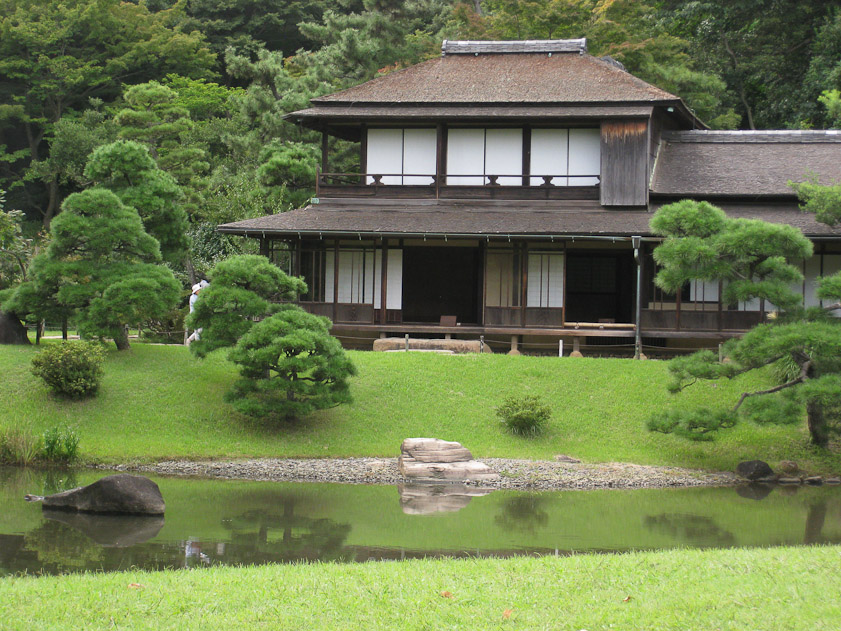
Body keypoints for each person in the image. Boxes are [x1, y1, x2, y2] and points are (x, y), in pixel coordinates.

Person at [185, 280, 208, 345]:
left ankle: (189, 340)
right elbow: (198, 305)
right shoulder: (193, 298)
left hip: (200, 315)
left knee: (200, 329)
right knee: (198, 330)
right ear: (196, 291)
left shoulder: (198, 296)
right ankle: (198, 345)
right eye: (199, 290)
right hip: (195, 315)